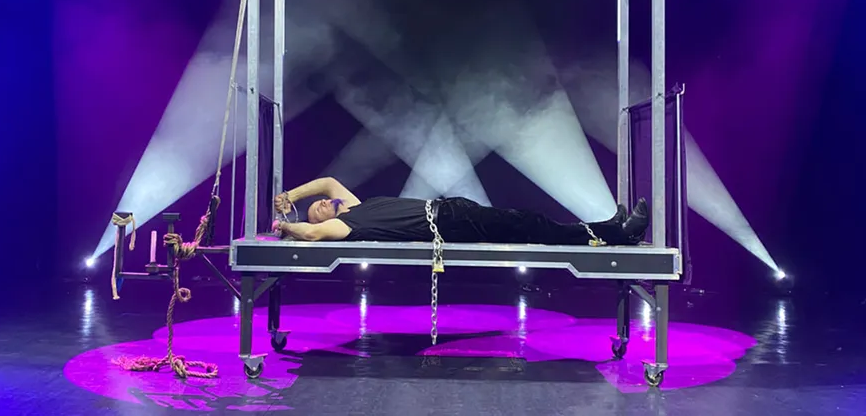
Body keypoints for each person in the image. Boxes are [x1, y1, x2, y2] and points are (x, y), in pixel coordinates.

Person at [271, 176, 649, 246]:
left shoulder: (354, 205)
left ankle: (608, 228)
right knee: (533, 224)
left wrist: (290, 194)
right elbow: (310, 233)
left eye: (319, 202)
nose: (319, 202)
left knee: (532, 224)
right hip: (449, 224)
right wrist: (289, 226)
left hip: (452, 211)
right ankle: (617, 233)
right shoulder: (342, 226)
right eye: (314, 209)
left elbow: (328, 182)